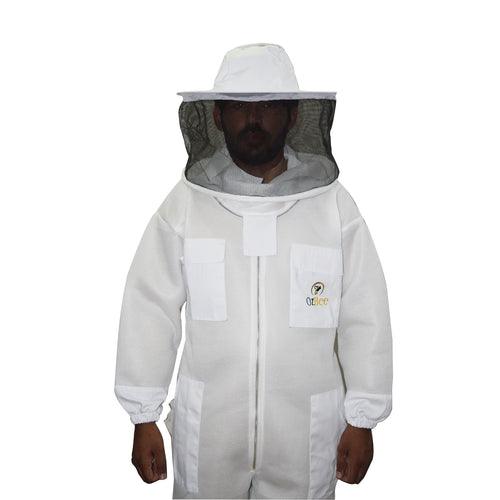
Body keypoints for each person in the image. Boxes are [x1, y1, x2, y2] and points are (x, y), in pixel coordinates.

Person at [114, 43, 393, 499]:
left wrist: (363, 419)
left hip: (305, 433)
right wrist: (143, 416)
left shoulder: (333, 207)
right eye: (240, 108)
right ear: (218, 116)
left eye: (268, 106)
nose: (254, 119)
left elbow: (365, 314)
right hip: (210, 429)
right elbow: (149, 308)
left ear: (293, 116)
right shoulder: (186, 205)